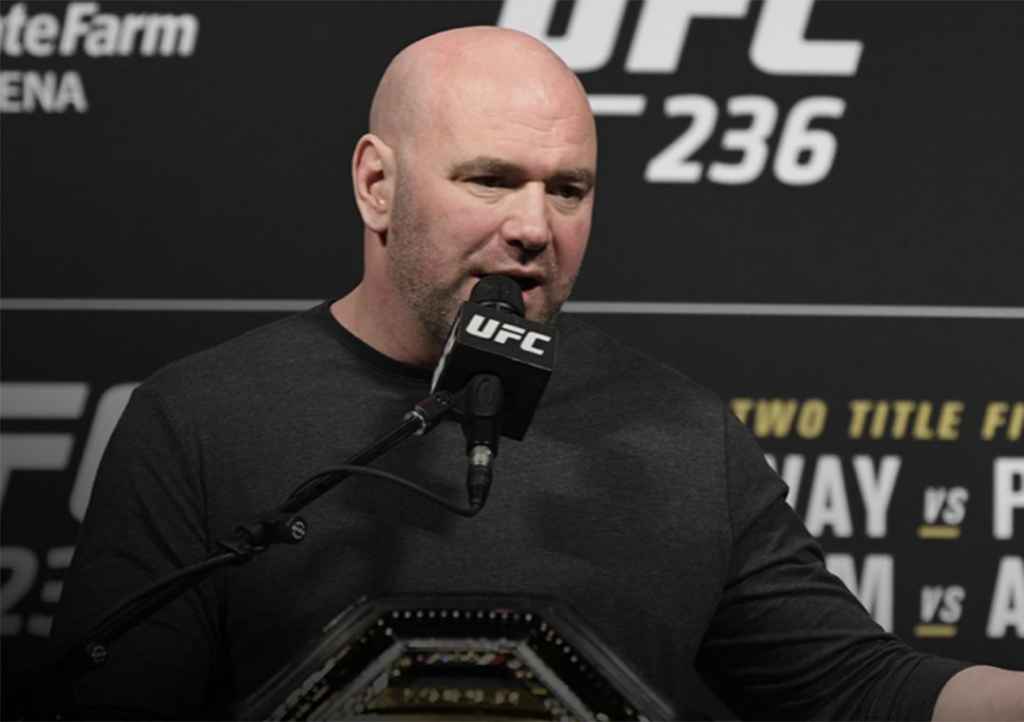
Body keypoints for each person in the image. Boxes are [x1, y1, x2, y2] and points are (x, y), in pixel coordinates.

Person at [51, 26, 1023, 721]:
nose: (533, 226)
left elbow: (858, 687)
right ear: (377, 184)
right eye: (489, 179)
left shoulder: (682, 434)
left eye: (568, 189)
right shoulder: (200, 418)